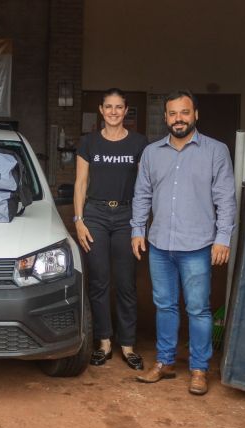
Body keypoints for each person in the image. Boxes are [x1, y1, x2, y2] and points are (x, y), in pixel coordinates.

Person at [131, 90, 236, 395]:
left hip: (198, 245)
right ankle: (164, 363)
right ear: (165, 118)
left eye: (184, 113)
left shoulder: (216, 151)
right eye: (173, 114)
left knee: (198, 309)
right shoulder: (152, 153)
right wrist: (137, 229)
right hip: (161, 243)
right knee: (164, 305)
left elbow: (225, 199)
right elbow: (142, 195)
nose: (179, 119)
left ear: (195, 115)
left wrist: (223, 238)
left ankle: (199, 369)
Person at [73, 88, 148, 370]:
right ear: (101, 111)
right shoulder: (88, 142)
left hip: (127, 215)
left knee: (127, 282)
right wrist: (79, 221)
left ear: (126, 111)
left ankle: (128, 345)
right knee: (99, 281)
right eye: (109, 107)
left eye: (119, 107)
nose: (114, 112)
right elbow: (80, 183)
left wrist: (140, 224)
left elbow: (144, 188)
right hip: (96, 215)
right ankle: (104, 342)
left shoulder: (139, 143)